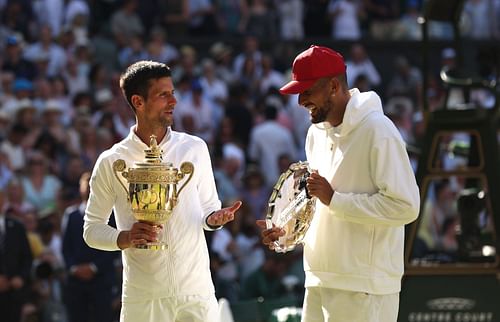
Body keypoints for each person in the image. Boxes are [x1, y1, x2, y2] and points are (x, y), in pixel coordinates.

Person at [257, 45, 420, 322]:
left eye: (307, 91)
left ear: (333, 86)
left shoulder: (378, 130)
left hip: (364, 286)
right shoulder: (314, 134)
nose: (300, 101)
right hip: (319, 278)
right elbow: (319, 207)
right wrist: (286, 232)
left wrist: (335, 199)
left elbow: (406, 207)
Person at [83, 60, 242, 322]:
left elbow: (208, 210)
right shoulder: (111, 160)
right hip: (144, 297)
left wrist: (214, 220)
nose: (173, 102)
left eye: (173, 93)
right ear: (138, 101)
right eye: (163, 95)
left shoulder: (195, 148)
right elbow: (91, 229)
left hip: (196, 293)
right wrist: (125, 237)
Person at [62, 172, 120, 322]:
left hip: (101, 281)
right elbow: (66, 248)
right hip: (76, 283)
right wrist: (75, 268)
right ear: (79, 188)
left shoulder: (112, 216)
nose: (88, 188)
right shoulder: (71, 215)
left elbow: (114, 246)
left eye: (91, 184)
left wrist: (94, 267)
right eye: (85, 184)